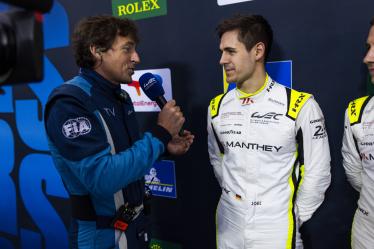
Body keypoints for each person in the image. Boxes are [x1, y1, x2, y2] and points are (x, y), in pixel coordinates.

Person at [44, 15, 194, 249]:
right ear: (97, 51)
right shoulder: (69, 102)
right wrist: (160, 133)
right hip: (100, 235)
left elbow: (124, 157)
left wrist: (164, 145)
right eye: (127, 49)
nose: (137, 58)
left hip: (136, 228)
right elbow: (102, 178)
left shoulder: (120, 96)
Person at [207, 14, 331, 249]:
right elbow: (218, 159)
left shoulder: (300, 105)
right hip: (228, 220)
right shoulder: (217, 107)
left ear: (258, 51)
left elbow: (318, 173)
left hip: (276, 226)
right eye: (221, 52)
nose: (222, 60)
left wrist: (290, 216)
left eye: (231, 51)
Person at [342, 18, 374, 249]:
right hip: (366, 229)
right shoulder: (358, 112)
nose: (367, 58)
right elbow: (354, 171)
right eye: (369, 47)